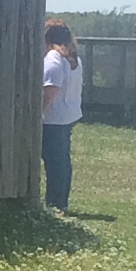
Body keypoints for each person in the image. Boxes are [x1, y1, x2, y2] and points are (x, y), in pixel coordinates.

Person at [39, 21, 82, 211]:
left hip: (53, 118)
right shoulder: (74, 58)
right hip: (68, 114)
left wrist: (39, 113)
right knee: (62, 161)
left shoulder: (53, 59)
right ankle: (60, 201)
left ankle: (56, 203)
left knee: (55, 162)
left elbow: (50, 90)